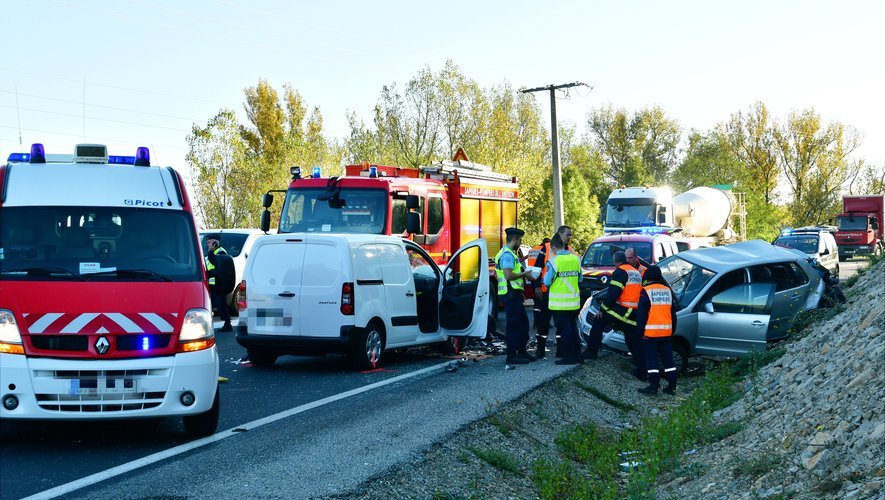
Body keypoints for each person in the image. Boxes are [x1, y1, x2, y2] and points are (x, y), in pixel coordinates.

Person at [581, 251, 645, 379]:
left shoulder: (620, 272)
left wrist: (603, 309)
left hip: (625, 310)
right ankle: (643, 371)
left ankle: (591, 351)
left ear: (615, 261)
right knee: (632, 341)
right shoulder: (634, 271)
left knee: (599, 320)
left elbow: (613, 293)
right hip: (634, 313)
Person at [530, 225, 578, 359]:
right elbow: (537, 268)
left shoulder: (570, 250)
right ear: (560, 235)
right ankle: (540, 350)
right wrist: (537, 286)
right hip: (546, 292)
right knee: (543, 322)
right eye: (568, 234)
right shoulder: (546, 247)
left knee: (560, 324)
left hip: (560, 295)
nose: (570, 237)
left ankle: (560, 350)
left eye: (570, 235)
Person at [635, 265, 678, 395]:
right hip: (666, 333)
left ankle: (654, 386)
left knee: (652, 361)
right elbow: (673, 314)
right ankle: (672, 386)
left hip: (650, 334)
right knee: (668, 360)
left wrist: (640, 332)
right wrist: (672, 331)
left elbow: (642, 315)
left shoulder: (645, 291)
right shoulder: (667, 291)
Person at [495, 227, 535, 367]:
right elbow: (508, 275)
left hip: (514, 293)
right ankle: (512, 356)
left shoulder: (511, 253)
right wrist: (523, 275)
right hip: (510, 294)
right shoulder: (507, 255)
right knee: (514, 326)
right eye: (520, 239)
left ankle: (522, 352)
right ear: (515, 239)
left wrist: (524, 276)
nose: (521, 242)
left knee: (522, 324)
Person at [544, 234, 583, 365]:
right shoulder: (576, 259)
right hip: (573, 302)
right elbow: (580, 279)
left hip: (559, 304)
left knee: (565, 331)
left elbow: (547, 281)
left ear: (554, 247)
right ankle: (578, 355)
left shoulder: (554, 261)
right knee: (573, 328)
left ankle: (569, 357)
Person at [205, 235, 235, 332]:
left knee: (220, 305)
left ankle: (227, 324)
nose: (208, 244)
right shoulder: (215, 252)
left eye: (210, 242)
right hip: (214, 284)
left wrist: (211, 250)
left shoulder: (221, 253)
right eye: (207, 242)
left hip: (219, 284)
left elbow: (216, 265)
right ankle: (225, 323)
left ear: (215, 242)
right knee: (217, 305)